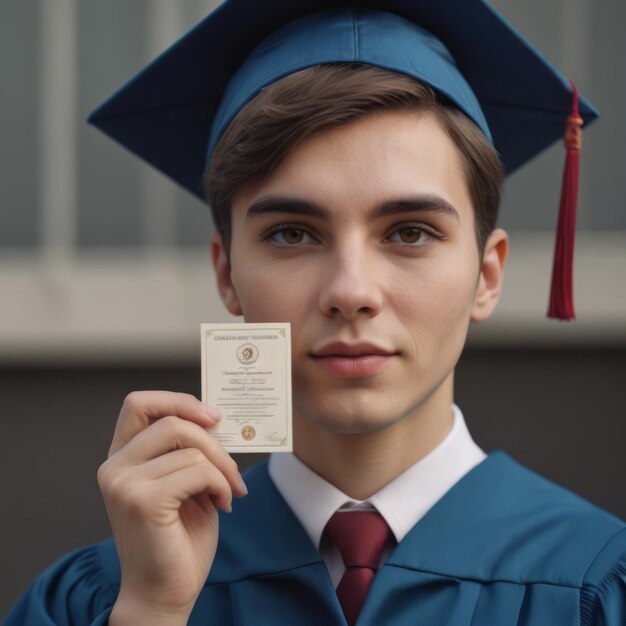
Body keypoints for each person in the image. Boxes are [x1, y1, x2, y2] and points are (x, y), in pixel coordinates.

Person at [4, 2, 625, 625]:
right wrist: (152, 611)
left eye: (409, 232)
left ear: (486, 276)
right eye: (292, 235)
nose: (350, 290)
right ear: (227, 275)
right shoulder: (99, 600)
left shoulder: (595, 586)